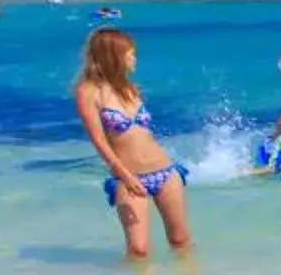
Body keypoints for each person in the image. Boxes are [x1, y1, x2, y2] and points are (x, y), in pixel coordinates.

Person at [72, 27, 192, 259]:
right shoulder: (88, 92)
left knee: (180, 241)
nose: (134, 59)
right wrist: (125, 175)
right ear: (114, 56)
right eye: (130, 54)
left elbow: (143, 134)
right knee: (138, 250)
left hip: (166, 172)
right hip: (128, 177)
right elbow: (98, 140)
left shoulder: (131, 89)